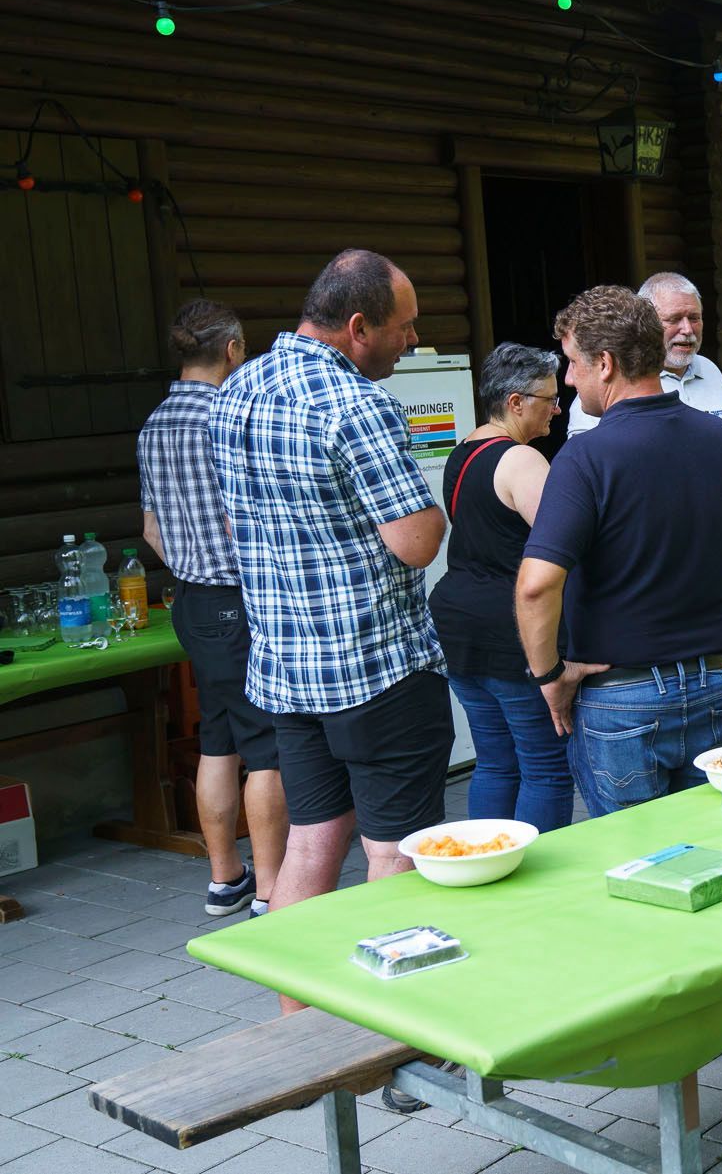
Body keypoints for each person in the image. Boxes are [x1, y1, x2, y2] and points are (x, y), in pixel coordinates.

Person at [209, 249, 451, 1014]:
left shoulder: (236, 389)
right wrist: (436, 510)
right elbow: (416, 541)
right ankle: (392, 1029)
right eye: (405, 326)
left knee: (311, 843)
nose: (413, 340)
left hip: (286, 669)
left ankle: (297, 1027)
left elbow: (235, 524)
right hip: (379, 669)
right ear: (358, 327)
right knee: (394, 851)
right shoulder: (356, 402)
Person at [517, 287, 722, 812]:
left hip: (620, 701)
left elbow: (535, 586)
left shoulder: (583, 457)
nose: (568, 379)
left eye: (573, 363)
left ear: (605, 363)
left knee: (637, 855)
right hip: (717, 686)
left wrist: (549, 676)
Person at [568, 274, 722, 725]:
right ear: (646, 323)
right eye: (674, 319)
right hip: (654, 589)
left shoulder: (712, 373)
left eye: (694, 318)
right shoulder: (605, 388)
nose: (687, 330)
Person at [138, 300, 286, 919]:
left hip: (192, 601)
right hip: (239, 601)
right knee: (267, 744)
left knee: (219, 740)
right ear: (231, 350)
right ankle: (273, 891)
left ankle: (227, 880)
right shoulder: (229, 416)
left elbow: (151, 530)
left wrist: (192, 558)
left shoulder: (153, 425)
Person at [427, 343, 573, 831]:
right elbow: (565, 545)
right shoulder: (521, 460)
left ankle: (488, 862)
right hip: (510, 629)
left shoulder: (463, 451)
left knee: (495, 762)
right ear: (515, 402)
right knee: (546, 768)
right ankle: (541, 874)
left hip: (459, 622)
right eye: (549, 399)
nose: (557, 409)